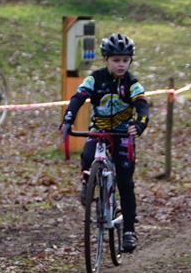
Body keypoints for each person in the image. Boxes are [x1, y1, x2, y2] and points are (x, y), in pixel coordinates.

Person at [61, 33, 149, 253]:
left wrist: (139, 125)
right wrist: (69, 118)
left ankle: (129, 231)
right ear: (106, 60)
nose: (121, 65)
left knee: (126, 183)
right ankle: (87, 184)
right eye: (116, 60)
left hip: (121, 135)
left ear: (130, 61)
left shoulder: (131, 82)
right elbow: (79, 97)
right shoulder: (95, 78)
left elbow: (142, 105)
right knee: (88, 155)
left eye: (125, 60)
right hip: (100, 131)